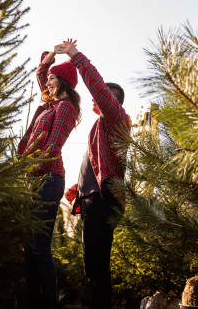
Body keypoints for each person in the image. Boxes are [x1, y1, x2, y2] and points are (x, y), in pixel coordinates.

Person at [59, 39, 131, 309]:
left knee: (97, 263)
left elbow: (97, 85)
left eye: (103, 94)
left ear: (112, 100)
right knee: (94, 262)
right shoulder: (101, 126)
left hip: (102, 200)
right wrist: (78, 188)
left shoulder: (116, 117)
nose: (95, 97)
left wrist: (76, 56)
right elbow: (98, 162)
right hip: (93, 198)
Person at [18, 46, 81, 308]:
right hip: (35, 177)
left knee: (40, 247)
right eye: (50, 78)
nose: (48, 81)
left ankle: (47, 302)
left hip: (49, 177)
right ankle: (30, 300)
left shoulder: (65, 107)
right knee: (29, 248)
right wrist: (51, 57)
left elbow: (52, 147)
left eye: (54, 78)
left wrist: (30, 171)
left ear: (63, 82)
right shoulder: (49, 105)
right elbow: (41, 72)